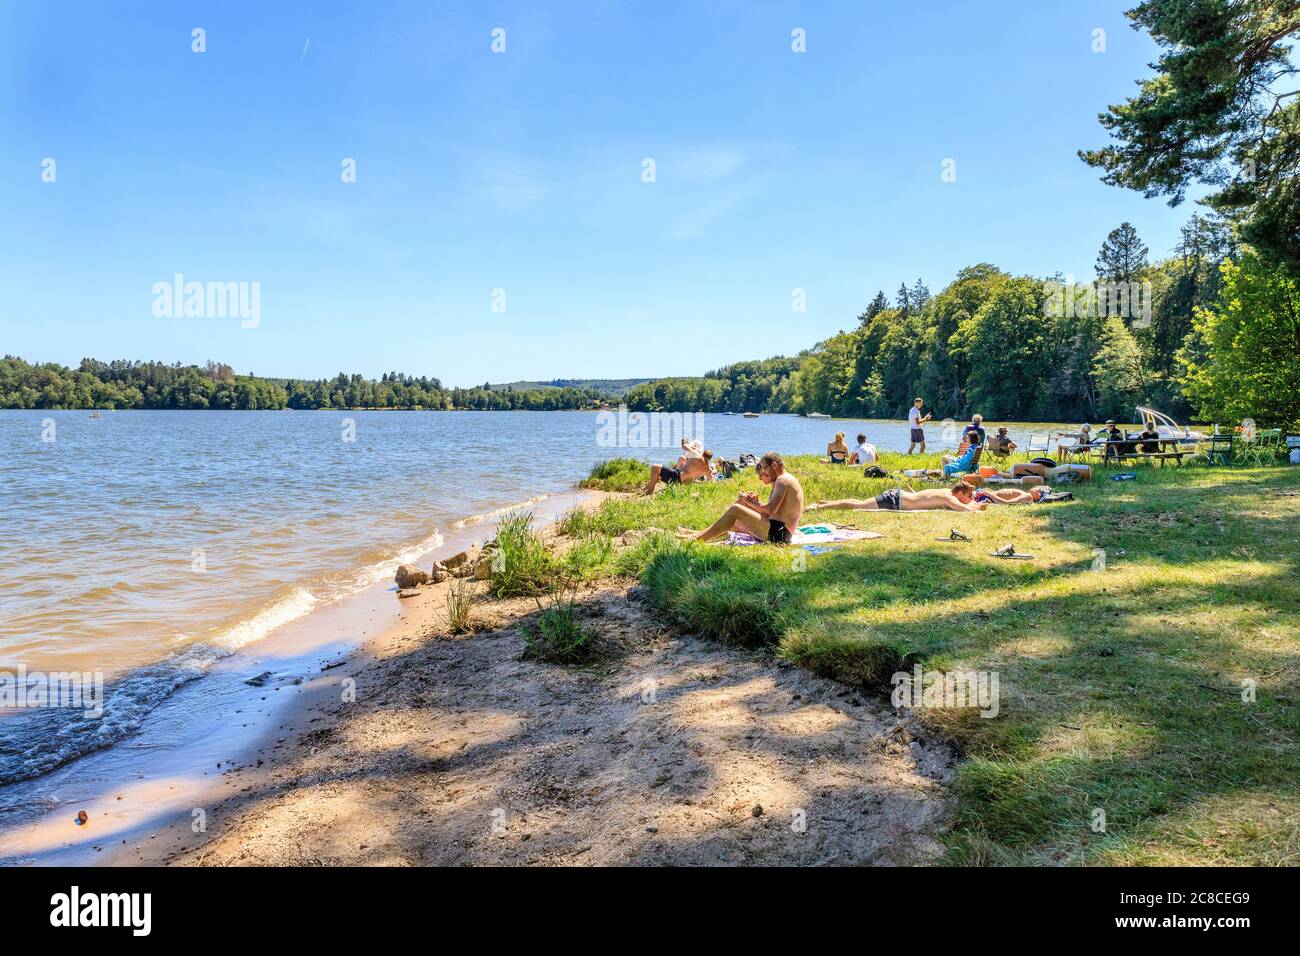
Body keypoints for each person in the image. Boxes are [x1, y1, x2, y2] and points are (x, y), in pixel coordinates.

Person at [677, 452, 804, 544]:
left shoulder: (783, 480)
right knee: (739, 513)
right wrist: (753, 503)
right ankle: (695, 534)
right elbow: (776, 511)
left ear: (775, 465)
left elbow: (770, 510)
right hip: (777, 529)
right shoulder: (783, 480)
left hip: (780, 534)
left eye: (765, 468)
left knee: (736, 510)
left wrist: (751, 503)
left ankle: (696, 540)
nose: (763, 472)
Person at [808, 483, 987, 513]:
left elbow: (963, 504)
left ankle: (827, 503)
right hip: (895, 500)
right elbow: (963, 509)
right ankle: (819, 507)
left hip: (897, 496)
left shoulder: (946, 491)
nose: (969, 499)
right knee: (858, 506)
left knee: (859, 503)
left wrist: (973, 502)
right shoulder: (949, 498)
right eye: (968, 496)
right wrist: (977, 507)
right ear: (960, 493)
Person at [643, 438, 711, 494]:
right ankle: (646, 489)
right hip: (681, 483)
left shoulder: (697, 456)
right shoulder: (708, 469)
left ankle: (650, 492)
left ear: (702, 454)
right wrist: (698, 482)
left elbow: (684, 446)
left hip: (676, 477)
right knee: (659, 473)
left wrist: (686, 443)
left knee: (655, 467)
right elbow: (710, 481)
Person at [973, 485, 1047, 505]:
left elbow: (1007, 503)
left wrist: (990, 494)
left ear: (1038, 497)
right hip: (985, 495)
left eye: (1039, 491)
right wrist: (991, 492)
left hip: (985, 497)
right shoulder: (1027, 495)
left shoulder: (1028, 497)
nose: (1036, 488)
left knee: (963, 492)